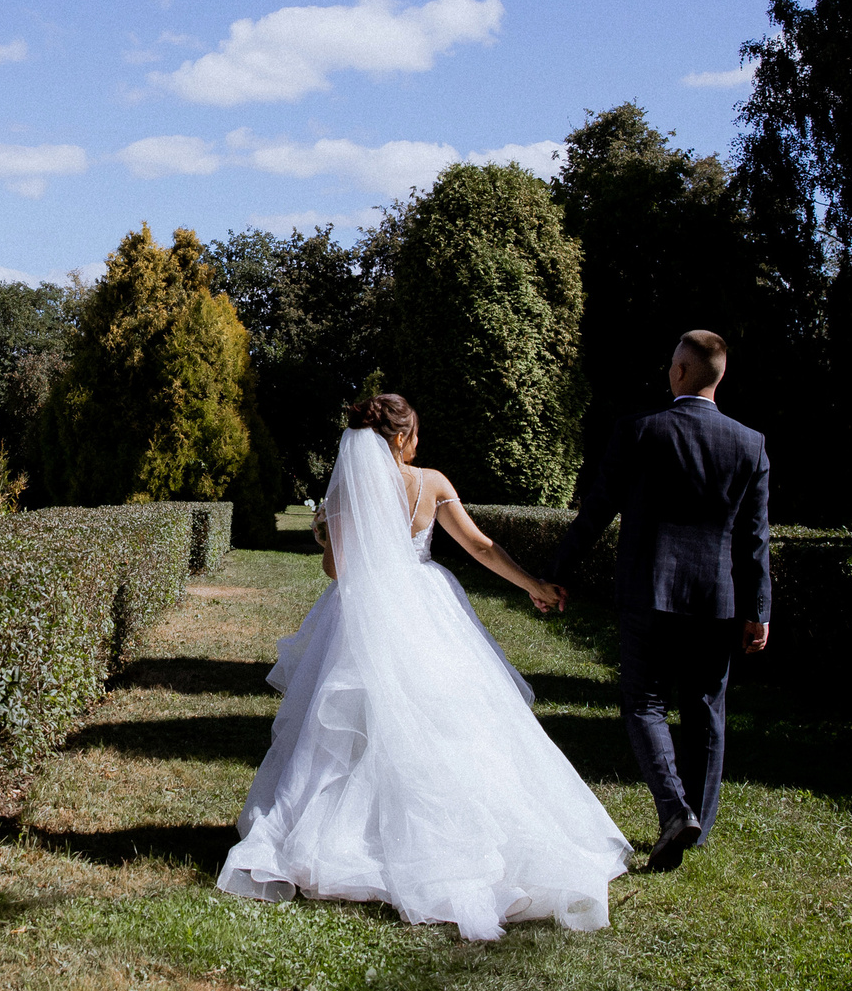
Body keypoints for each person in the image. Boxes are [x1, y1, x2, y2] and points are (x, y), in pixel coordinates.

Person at [217, 394, 632, 940]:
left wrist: (326, 533)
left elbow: (336, 570)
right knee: (446, 721)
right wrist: (533, 584)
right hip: (425, 609)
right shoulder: (430, 483)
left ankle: (342, 835)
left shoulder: (347, 490)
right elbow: (481, 547)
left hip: (361, 612)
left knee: (351, 725)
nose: (419, 442)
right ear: (402, 438)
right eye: (415, 434)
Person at [543, 329, 771, 873]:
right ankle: (698, 826)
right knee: (705, 710)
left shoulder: (641, 431)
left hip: (648, 592)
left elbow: (597, 509)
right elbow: (755, 538)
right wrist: (758, 609)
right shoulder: (750, 444)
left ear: (680, 372)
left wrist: (553, 573)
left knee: (644, 702)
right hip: (717, 599)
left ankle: (674, 809)